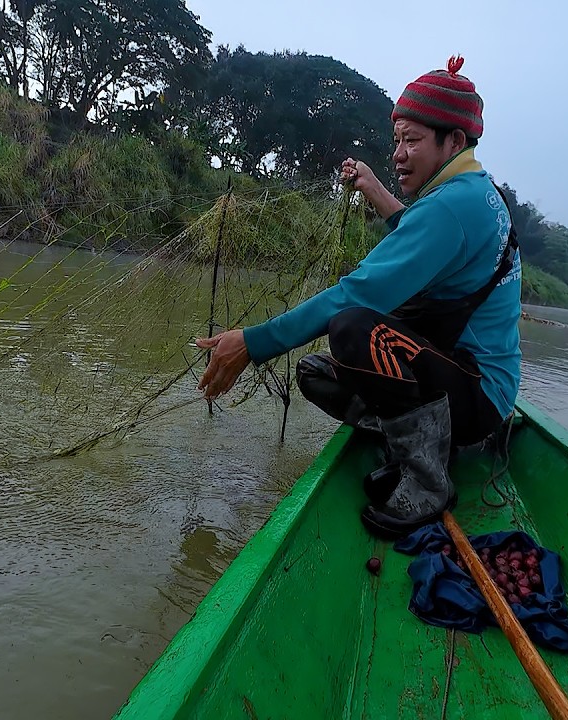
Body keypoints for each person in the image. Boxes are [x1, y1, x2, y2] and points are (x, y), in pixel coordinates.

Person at [194, 55, 522, 539]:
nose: (399, 154)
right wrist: (373, 188)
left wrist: (253, 342)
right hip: (469, 379)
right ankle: (412, 441)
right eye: (397, 140)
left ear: (454, 141)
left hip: (478, 394)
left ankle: (429, 480)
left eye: (413, 141)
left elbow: (356, 293)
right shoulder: (473, 192)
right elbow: (425, 238)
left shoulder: (451, 207)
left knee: (353, 329)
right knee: (318, 374)